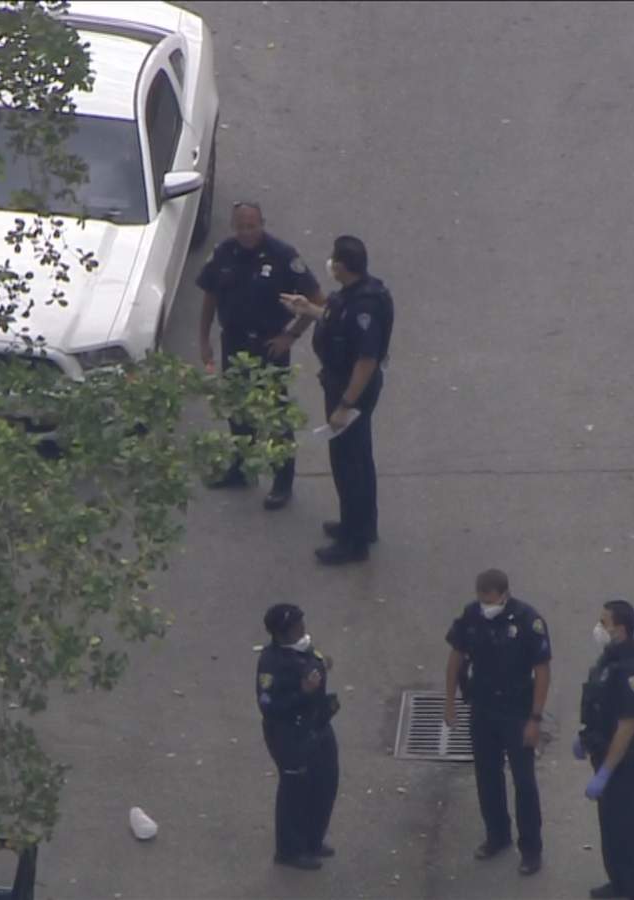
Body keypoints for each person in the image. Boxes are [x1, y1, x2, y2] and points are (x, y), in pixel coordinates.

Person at [196, 202, 324, 510]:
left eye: (252, 226)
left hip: (269, 347)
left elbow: (317, 300)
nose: (247, 232)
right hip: (235, 343)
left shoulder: (283, 256)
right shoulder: (224, 253)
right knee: (239, 409)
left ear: (262, 223)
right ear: (233, 226)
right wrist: (203, 339)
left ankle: (282, 482)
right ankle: (242, 469)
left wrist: (290, 335)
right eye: (241, 226)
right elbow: (210, 295)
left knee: (275, 414)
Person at [281, 235, 394, 564]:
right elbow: (337, 320)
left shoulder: (366, 307)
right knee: (357, 458)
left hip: (351, 391)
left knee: (349, 466)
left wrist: (345, 406)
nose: (329, 263)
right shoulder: (354, 295)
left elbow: (366, 360)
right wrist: (309, 310)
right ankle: (360, 525)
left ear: (342, 267)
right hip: (342, 386)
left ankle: (354, 542)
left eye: (333, 260)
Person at [443, 568, 551, 875]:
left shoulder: (528, 621)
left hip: (516, 711)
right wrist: (449, 703)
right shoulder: (472, 615)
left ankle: (530, 848)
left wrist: (535, 718)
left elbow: (542, 671)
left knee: (524, 783)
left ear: (503, 595)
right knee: (487, 776)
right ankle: (497, 835)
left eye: (489, 599)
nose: (484, 605)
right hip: (483, 708)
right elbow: (456, 658)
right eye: (480, 599)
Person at [575, 598, 634, 900]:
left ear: (620, 629)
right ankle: (619, 884)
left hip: (623, 761)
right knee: (610, 828)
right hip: (603, 751)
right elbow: (599, 703)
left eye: (604, 623)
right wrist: (585, 737)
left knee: (625, 829)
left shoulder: (633, 670)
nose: (598, 628)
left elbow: (626, 727)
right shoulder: (609, 658)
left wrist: (606, 772)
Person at [255, 602, 341, 870]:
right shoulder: (271, 662)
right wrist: (302, 692)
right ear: (282, 633)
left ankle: (312, 839)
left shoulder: (303, 647)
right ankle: (290, 849)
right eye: (296, 626)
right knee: (295, 791)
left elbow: (314, 661)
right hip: (289, 735)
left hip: (317, 726)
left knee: (325, 782)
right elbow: (268, 705)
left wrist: (324, 663)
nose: (303, 628)